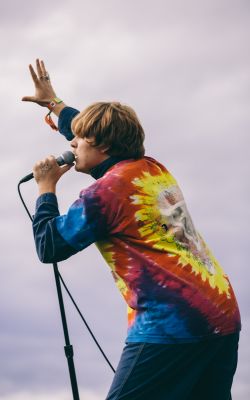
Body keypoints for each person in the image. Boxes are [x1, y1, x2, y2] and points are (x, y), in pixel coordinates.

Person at [22, 59, 241, 400]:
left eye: (80, 138)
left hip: (172, 323)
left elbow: (50, 246)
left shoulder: (105, 193)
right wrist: (55, 103)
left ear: (104, 146)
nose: (73, 143)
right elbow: (98, 143)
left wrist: (45, 189)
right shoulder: (150, 169)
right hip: (220, 313)